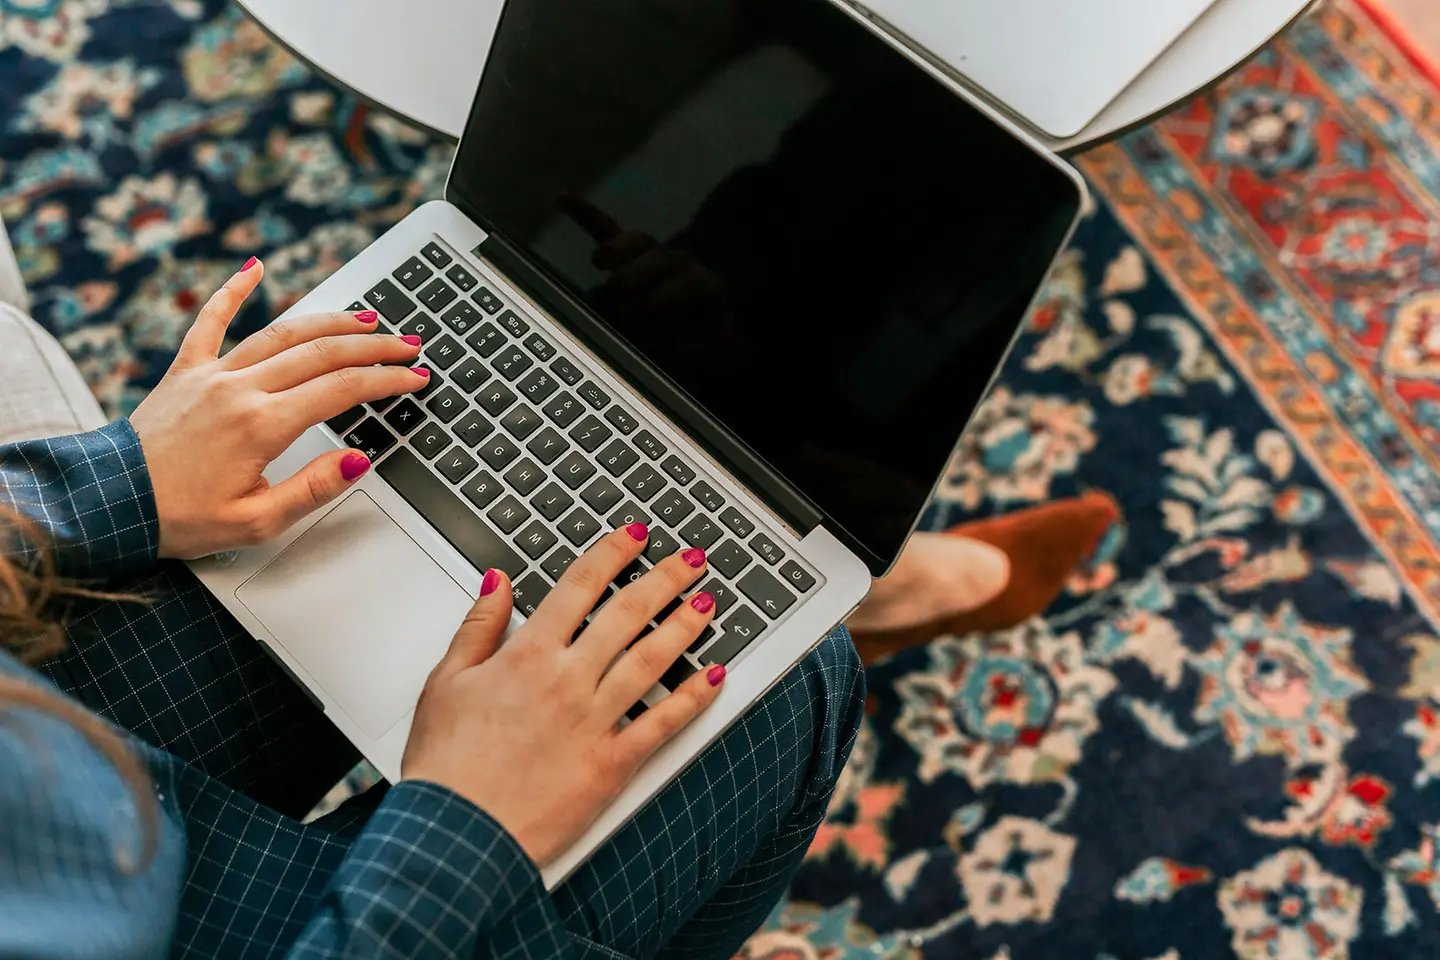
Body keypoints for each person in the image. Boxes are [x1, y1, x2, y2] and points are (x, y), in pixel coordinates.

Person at [0, 259, 872, 958]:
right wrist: (466, 824)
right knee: (793, 682)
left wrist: (113, 481)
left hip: (39, 739)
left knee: (410, 402)